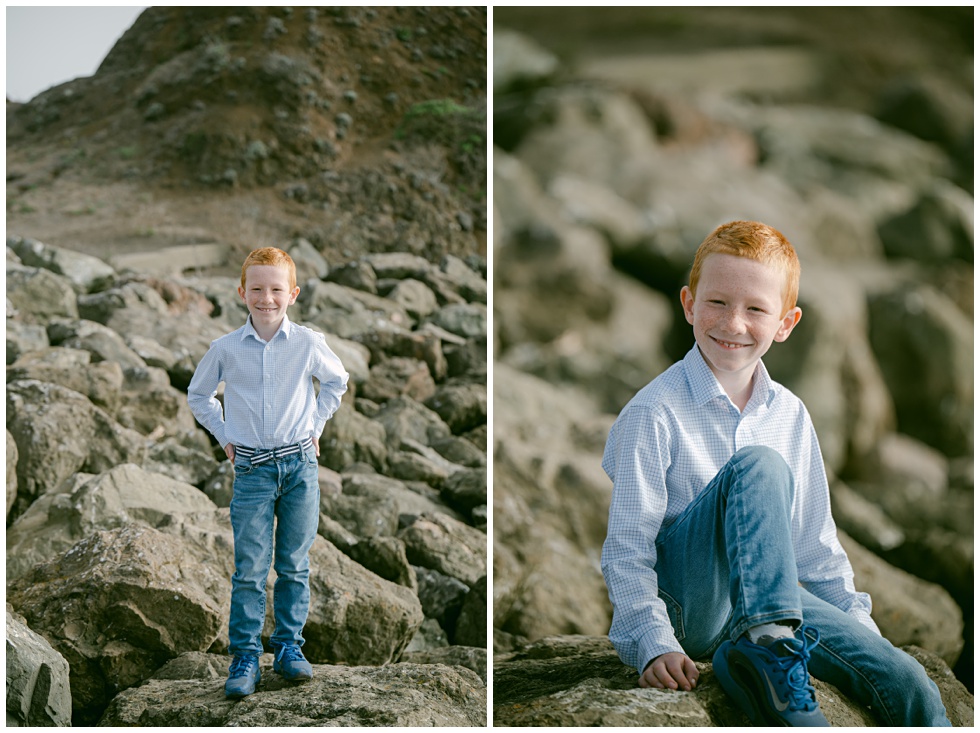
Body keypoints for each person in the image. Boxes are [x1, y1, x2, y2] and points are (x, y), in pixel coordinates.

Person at [600, 221, 950, 726]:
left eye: (756, 309)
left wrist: (860, 635)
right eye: (717, 303)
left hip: (773, 598)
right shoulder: (653, 411)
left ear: (786, 323)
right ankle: (767, 657)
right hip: (691, 606)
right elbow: (627, 549)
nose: (733, 323)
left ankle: (765, 646)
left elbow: (814, 548)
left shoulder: (790, 413)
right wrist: (653, 643)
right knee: (758, 466)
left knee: (908, 682)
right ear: (688, 304)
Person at [187, 246, 349, 699]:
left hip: (300, 466)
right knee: (250, 570)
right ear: (242, 292)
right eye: (257, 289)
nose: (266, 298)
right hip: (253, 470)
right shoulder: (225, 349)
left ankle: (288, 649)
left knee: (295, 565)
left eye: (276, 289)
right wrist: (224, 436)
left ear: (292, 293)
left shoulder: (308, 344)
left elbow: (337, 381)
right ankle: (244, 657)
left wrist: (316, 425)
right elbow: (199, 395)